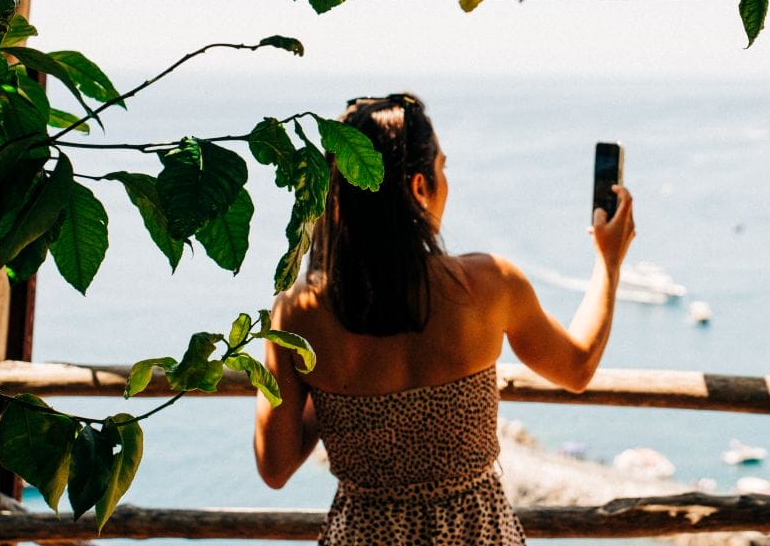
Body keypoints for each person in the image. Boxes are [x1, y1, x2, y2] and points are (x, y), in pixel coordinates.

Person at [253, 94, 636, 545]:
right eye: (442, 168)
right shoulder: (489, 284)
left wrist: (336, 395)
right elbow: (577, 367)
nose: (445, 180)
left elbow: (274, 468)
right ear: (419, 186)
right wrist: (608, 263)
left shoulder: (298, 312)